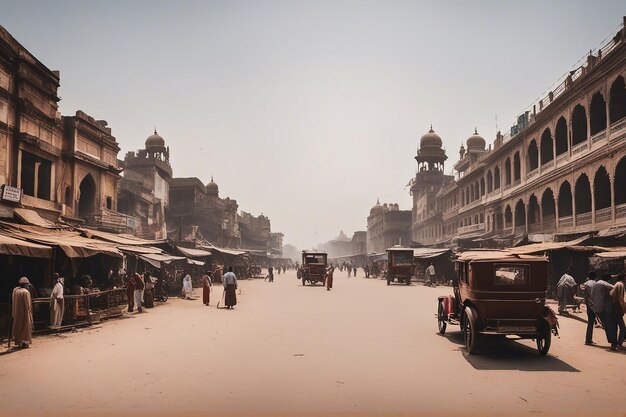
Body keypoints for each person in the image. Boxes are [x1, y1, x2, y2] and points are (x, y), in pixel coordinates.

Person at [590, 273, 615, 350]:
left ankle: (612, 342)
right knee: (608, 325)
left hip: (595, 307)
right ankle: (613, 343)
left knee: (606, 325)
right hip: (601, 307)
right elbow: (614, 287)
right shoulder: (603, 283)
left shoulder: (596, 283)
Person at [12, 277, 33, 348]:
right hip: (25, 313)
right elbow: (28, 305)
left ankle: (18, 341)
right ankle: (25, 343)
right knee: (25, 327)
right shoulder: (26, 292)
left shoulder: (15, 291)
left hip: (17, 313)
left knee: (18, 326)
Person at [609, 273, 626, 350]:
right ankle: (619, 343)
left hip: (613, 307)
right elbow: (621, 299)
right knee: (622, 327)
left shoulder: (616, 284)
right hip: (617, 307)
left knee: (616, 326)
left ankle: (615, 343)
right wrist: (623, 308)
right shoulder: (621, 285)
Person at [581, 271, 597, 345]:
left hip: (588, 304)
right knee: (591, 321)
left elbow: (585, 293)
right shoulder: (594, 283)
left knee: (590, 322)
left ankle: (588, 339)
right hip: (593, 304)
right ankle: (588, 339)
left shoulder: (586, 283)